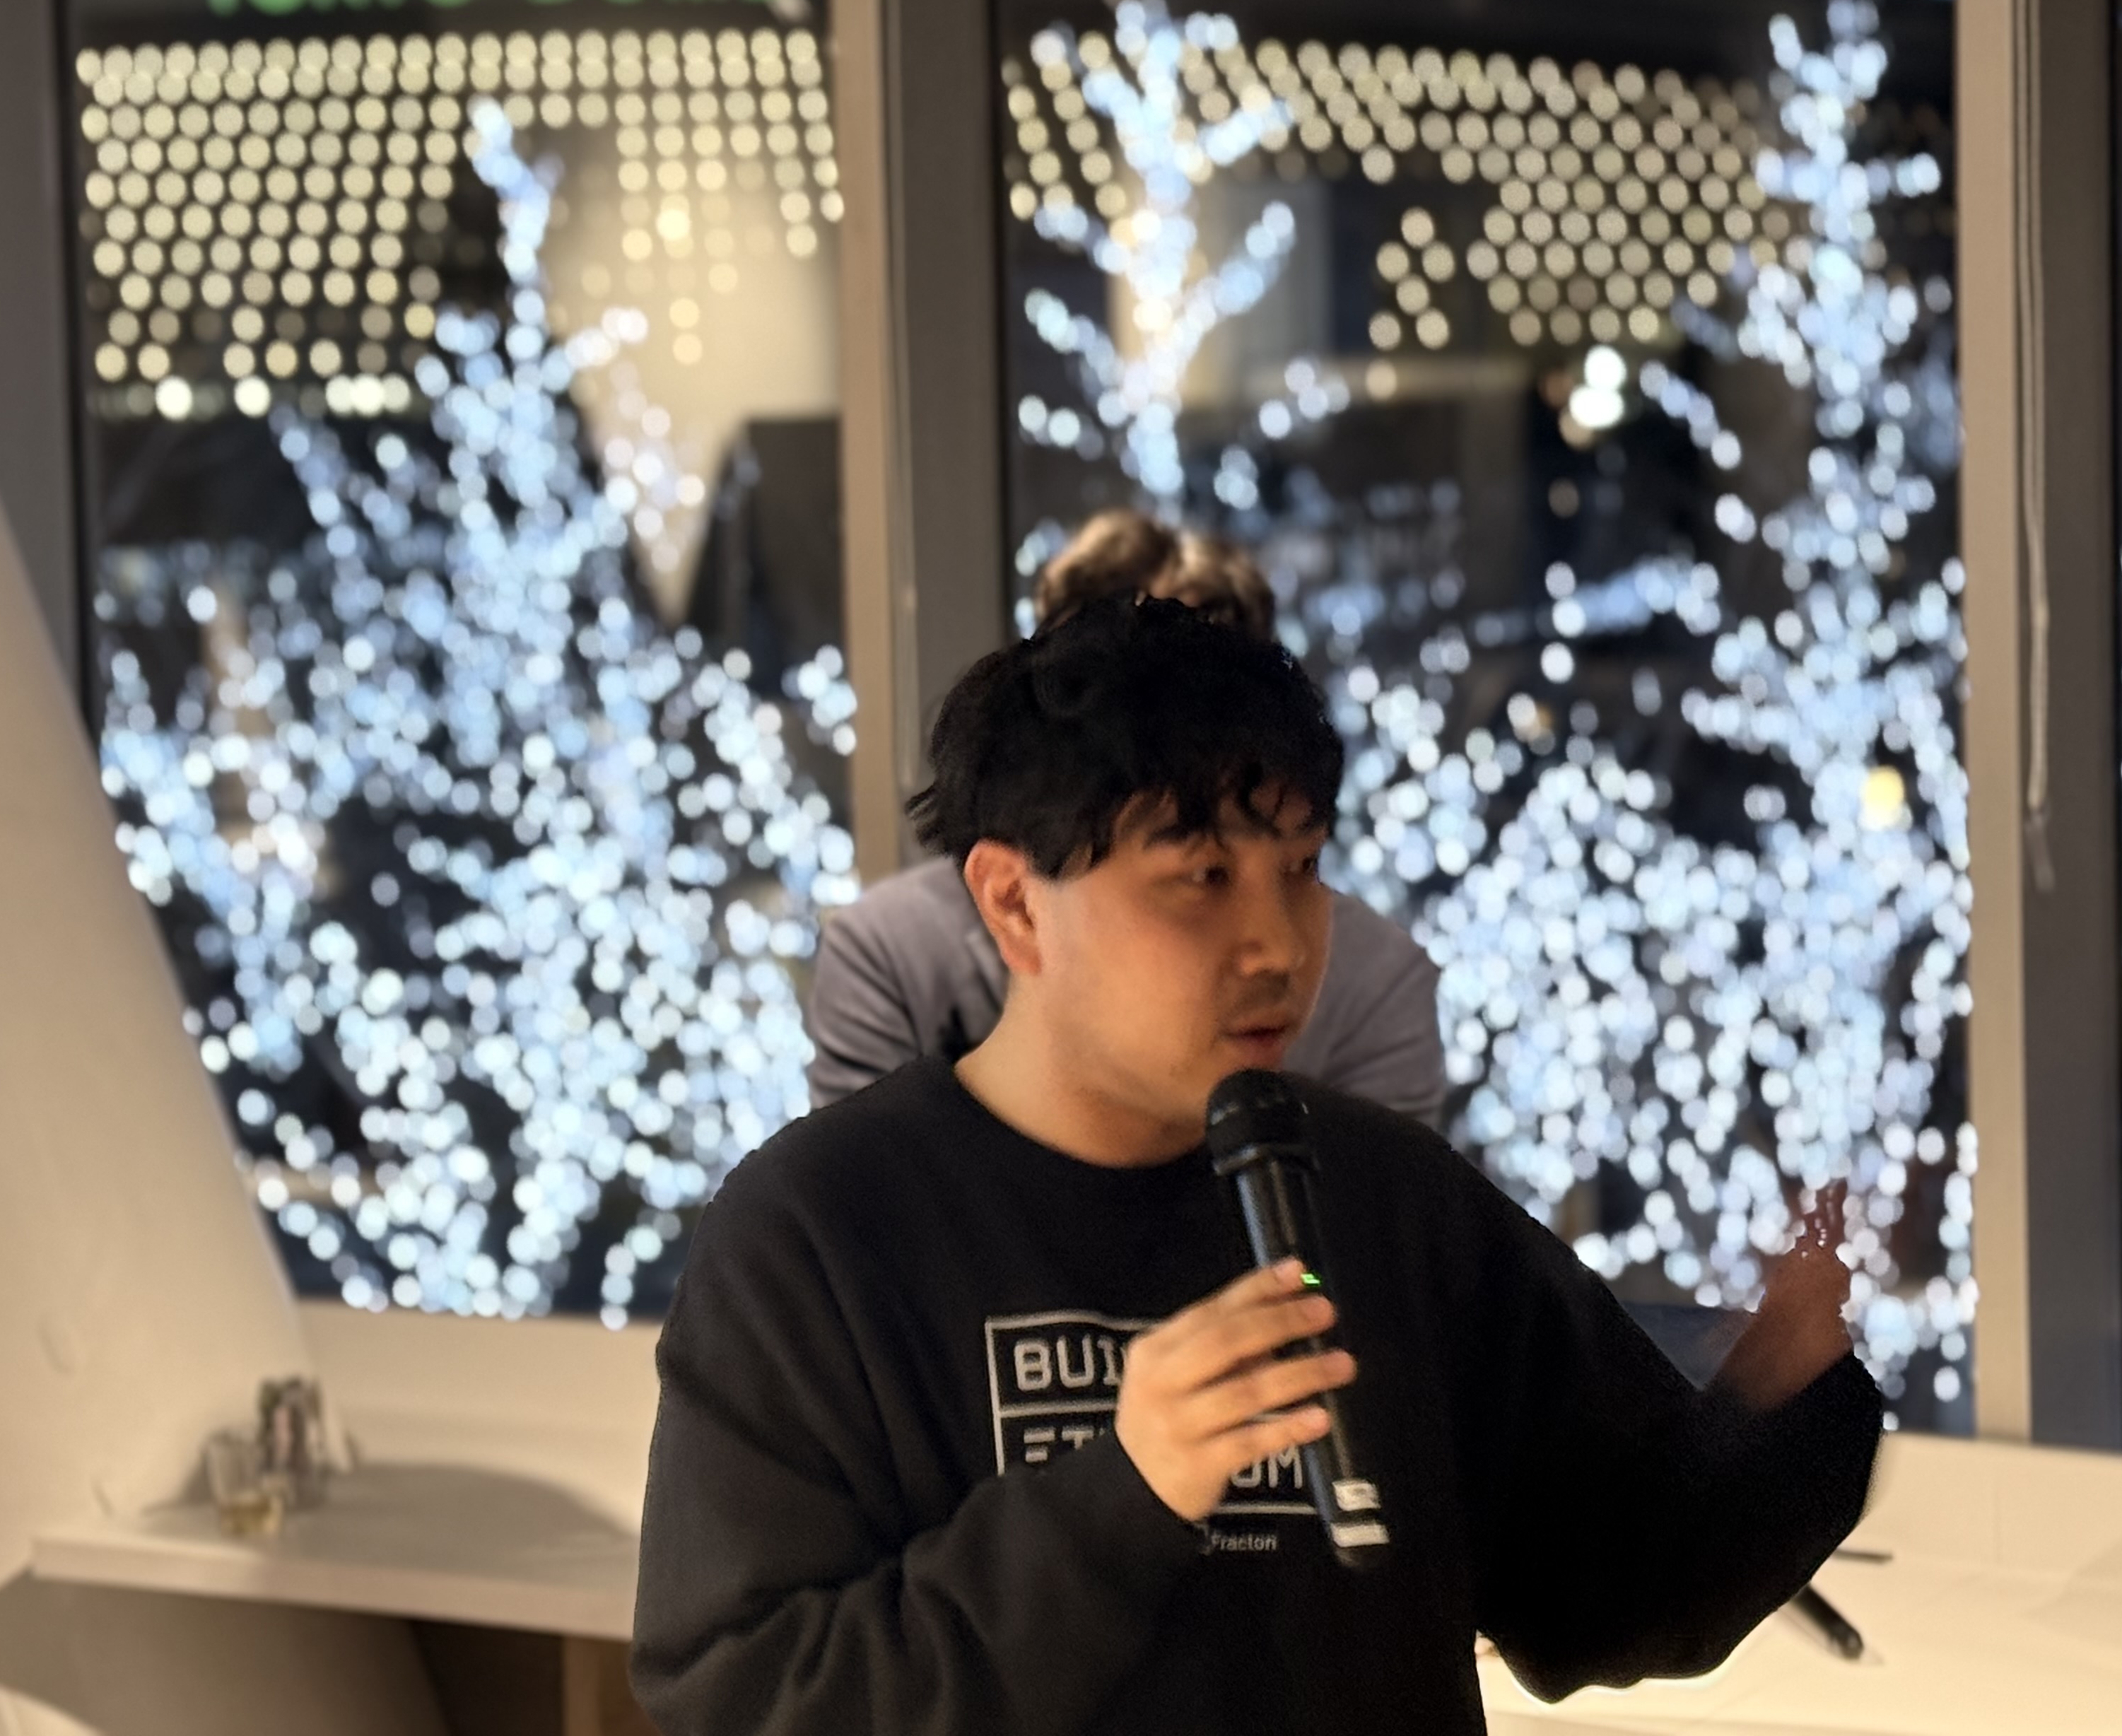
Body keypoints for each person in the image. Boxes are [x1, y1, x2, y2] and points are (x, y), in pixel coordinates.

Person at [633, 599, 1880, 1736]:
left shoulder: (1382, 1194)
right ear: (1014, 902)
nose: (1276, 941)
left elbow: (1602, 1592)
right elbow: (745, 1700)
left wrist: (1779, 1390)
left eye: (1299, 868)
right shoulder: (820, 1230)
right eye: (1201, 878)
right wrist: (1122, 1491)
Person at [807, 511, 1446, 1123]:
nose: (1277, 950)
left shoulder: (1368, 973)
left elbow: (1387, 1214)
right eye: (1107, 687)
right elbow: (860, 1194)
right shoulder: (897, 949)